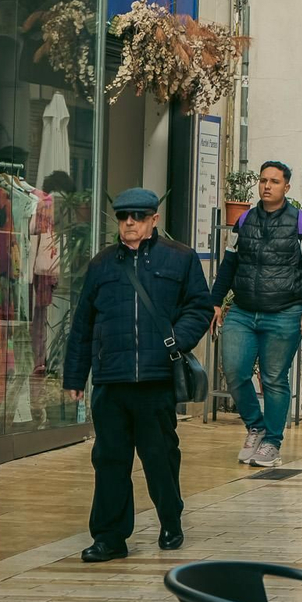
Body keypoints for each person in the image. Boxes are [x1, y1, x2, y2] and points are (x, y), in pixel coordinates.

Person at [64, 188, 212, 563]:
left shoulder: (180, 258)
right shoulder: (101, 265)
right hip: (111, 381)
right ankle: (109, 537)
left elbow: (200, 307)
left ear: (153, 220)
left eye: (138, 216)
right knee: (109, 460)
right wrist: (74, 378)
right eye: (123, 216)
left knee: (160, 456)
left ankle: (170, 520)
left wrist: (175, 340)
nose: (129, 222)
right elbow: (83, 324)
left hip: (156, 379)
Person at [209, 161, 302, 468]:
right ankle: (255, 427)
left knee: (273, 378)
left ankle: (272, 442)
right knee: (234, 371)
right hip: (243, 311)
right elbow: (229, 264)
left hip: (285, 312)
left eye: (274, 181)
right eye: (263, 180)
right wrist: (215, 301)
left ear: (287, 187)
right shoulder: (244, 220)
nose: (267, 186)